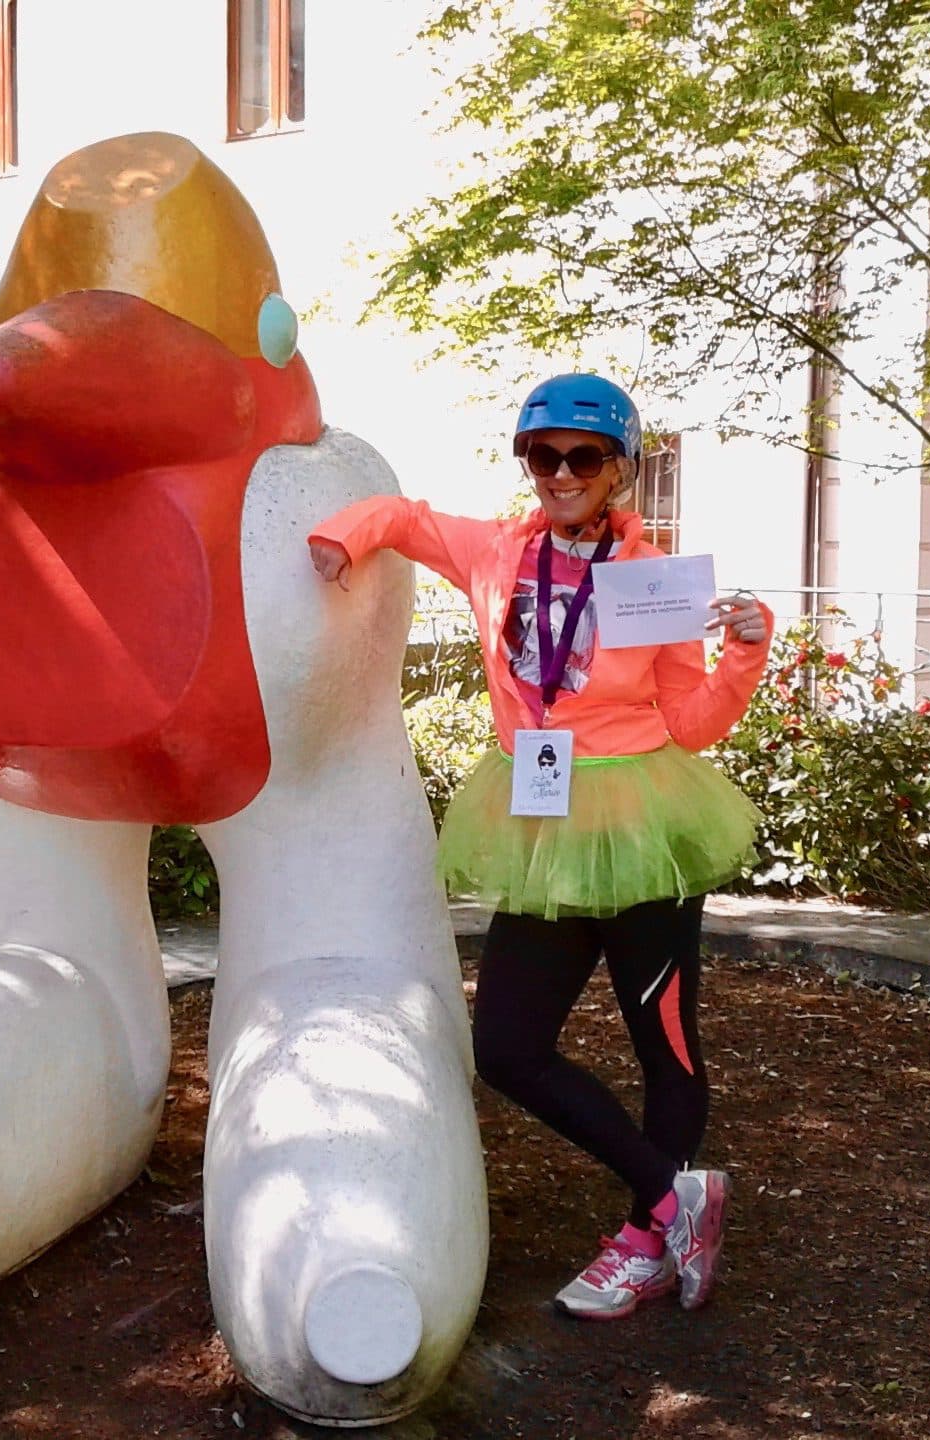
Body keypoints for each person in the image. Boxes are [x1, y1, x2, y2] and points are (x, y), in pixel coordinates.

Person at [307, 373, 771, 1321]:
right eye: (542, 454)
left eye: (582, 456)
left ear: (618, 470)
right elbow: (401, 515)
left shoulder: (654, 580)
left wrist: (745, 655)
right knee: (510, 1047)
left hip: (644, 827)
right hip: (541, 825)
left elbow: (687, 721)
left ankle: (648, 1241)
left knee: (666, 1048)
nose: (559, 472)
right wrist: (338, 537)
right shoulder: (494, 550)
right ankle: (675, 1196)